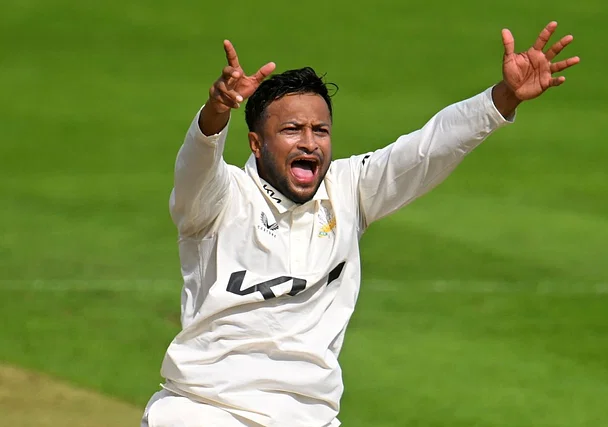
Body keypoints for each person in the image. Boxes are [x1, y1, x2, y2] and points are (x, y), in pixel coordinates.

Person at [141, 21, 579, 427]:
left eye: (321, 130)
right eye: (293, 129)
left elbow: (426, 149)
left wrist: (503, 96)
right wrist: (217, 109)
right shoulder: (218, 198)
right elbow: (197, 162)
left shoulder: (348, 189)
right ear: (256, 143)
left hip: (309, 417)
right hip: (204, 411)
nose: (310, 142)